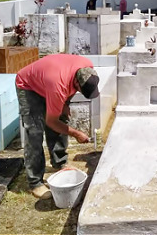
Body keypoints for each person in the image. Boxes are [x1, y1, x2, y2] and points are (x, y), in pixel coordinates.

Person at [15, 54, 100, 199]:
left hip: (48, 80)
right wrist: (76, 134)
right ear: (76, 83)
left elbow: (70, 88)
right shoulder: (58, 86)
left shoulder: (87, 66)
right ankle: (35, 182)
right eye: (80, 90)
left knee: (62, 118)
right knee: (35, 131)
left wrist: (65, 104)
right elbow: (51, 122)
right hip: (29, 86)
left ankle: (59, 163)